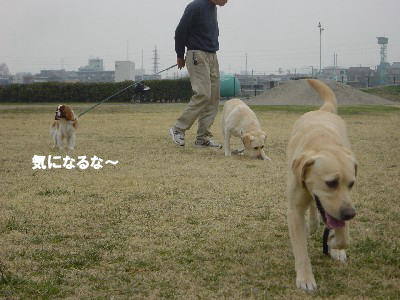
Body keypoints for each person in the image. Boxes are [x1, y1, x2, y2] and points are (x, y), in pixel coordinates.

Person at [169, 0, 228, 148]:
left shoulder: (212, 8)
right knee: (203, 94)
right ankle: (178, 129)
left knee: (213, 98)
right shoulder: (195, 6)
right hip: (197, 54)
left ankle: (202, 138)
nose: (227, 1)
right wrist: (180, 55)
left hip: (212, 55)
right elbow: (180, 31)